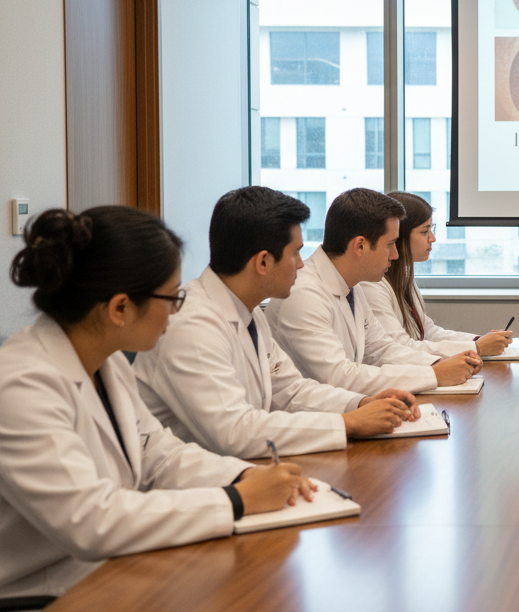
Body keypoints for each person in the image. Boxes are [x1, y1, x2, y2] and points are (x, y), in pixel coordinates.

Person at [0, 206, 312, 610]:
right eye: (172, 297)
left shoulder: (106, 360)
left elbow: (158, 454)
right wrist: (236, 500)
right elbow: (93, 521)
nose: (177, 311)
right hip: (44, 599)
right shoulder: (22, 383)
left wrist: (245, 475)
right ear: (119, 308)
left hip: (111, 568)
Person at [134, 187, 422, 460]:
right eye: (295, 253)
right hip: (188, 486)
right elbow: (234, 432)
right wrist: (347, 423)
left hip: (236, 468)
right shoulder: (192, 325)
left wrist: (359, 405)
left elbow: (291, 390)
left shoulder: (247, 311)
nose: (301, 264)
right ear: (263, 263)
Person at [266, 188, 480, 395]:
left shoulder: (352, 286)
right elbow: (340, 375)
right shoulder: (303, 294)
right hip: (311, 420)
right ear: (360, 246)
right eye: (391, 244)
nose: (395, 255)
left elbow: (382, 349)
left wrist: (439, 364)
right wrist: (433, 374)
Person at [360, 191, 513, 358]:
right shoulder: (372, 285)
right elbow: (399, 347)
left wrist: (479, 341)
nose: (432, 239)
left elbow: (428, 332)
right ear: (399, 235)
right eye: (425, 231)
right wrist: (476, 347)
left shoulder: (402, 276)